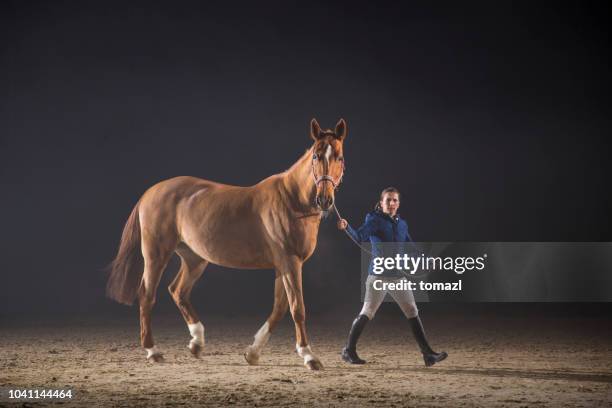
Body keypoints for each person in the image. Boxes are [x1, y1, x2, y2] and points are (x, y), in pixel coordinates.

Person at [337, 187, 448, 367]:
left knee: (412, 311)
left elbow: (410, 247)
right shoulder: (374, 220)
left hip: (397, 277)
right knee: (367, 312)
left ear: (398, 203)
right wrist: (347, 227)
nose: (391, 203)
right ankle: (348, 351)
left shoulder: (402, 224)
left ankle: (428, 354)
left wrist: (426, 260)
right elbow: (359, 237)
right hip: (378, 276)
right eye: (388, 200)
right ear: (381, 203)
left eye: (394, 200)